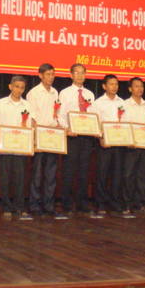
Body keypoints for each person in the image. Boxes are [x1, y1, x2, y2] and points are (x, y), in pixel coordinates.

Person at [59, 63, 96, 217]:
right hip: (71, 136)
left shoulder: (90, 94)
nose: (80, 76)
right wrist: (67, 128)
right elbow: (60, 115)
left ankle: (82, 203)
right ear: (71, 75)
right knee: (69, 171)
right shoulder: (65, 93)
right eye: (77, 73)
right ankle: (66, 203)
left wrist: (94, 129)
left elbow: (92, 115)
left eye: (82, 73)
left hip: (86, 136)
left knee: (84, 171)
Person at [0, 75, 34, 220]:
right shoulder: (1, 103)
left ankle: (19, 206)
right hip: (5, 146)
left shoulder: (27, 105)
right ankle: (6, 206)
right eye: (16, 87)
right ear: (10, 87)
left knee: (20, 178)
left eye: (22, 88)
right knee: (5, 178)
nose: (19, 90)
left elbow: (30, 125)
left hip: (20, 147)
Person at [27, 63, 60, 217]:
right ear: (40, 75)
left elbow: (56, 115)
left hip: (52, 137)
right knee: (37, 174)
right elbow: (32, 117)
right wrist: (35, 138)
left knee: (51, 174)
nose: (51, 77)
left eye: (53, 74)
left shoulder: (55, 92)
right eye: (48, 74)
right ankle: (34, 205)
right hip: (39, 136)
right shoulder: (33, 93)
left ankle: (49, 205)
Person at [93, 74, 125, 217]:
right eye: (111, 84)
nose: (114, 87)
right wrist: (100, 137)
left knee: (117, 174)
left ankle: (115, 202)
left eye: (116, 84)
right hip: (104, 142)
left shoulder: (122, 102)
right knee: (102, 173)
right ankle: (100, 203)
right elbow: (95, 122)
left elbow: (125, 122)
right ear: (104, 86)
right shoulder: (98, 103)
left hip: (119, 142)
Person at [122, 77, 145, 217]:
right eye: (136, 86)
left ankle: (140, 204)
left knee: (143, 176)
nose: (140, 89)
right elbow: (123, 124)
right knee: (129, 175)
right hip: (131, 145)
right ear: (130, 89)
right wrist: (129, 139)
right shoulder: (124, 104)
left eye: (141, 86)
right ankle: (127, 204)